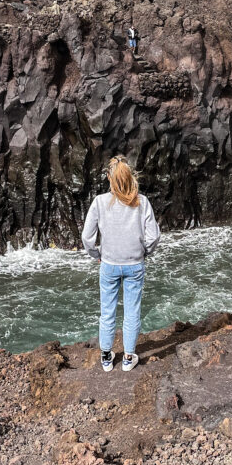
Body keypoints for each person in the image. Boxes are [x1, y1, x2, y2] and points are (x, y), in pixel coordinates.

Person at [81, 156, 161, 373]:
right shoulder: (142, 202)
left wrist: (96, 254)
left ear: (109, 177)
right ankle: (128, 358)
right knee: (132, 311)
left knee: (107, 311)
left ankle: (106, 358)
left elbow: (87, 238)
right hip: (135, 264)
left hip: (108, 264)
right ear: (129, 176)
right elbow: (153, 237)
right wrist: (144, 252)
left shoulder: (99, 201)